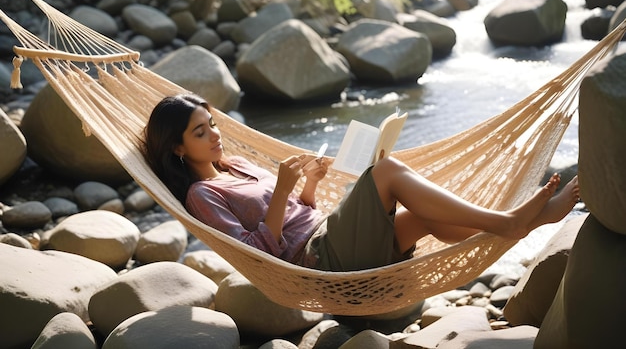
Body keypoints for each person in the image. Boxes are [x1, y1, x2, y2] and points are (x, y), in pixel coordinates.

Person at [143, 93, 580, 272]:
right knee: (386, 173)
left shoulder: (236, 164)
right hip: (319, 260)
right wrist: (279, 190)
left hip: (330, 233)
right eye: (200, 132)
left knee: (420, 218)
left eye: (212, 123)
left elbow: (301, 213)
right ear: (178, 148)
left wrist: (309, 186)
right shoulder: (203, 195)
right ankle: (506, 222)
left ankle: (527, 223)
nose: (215, 134)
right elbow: (260, 253)